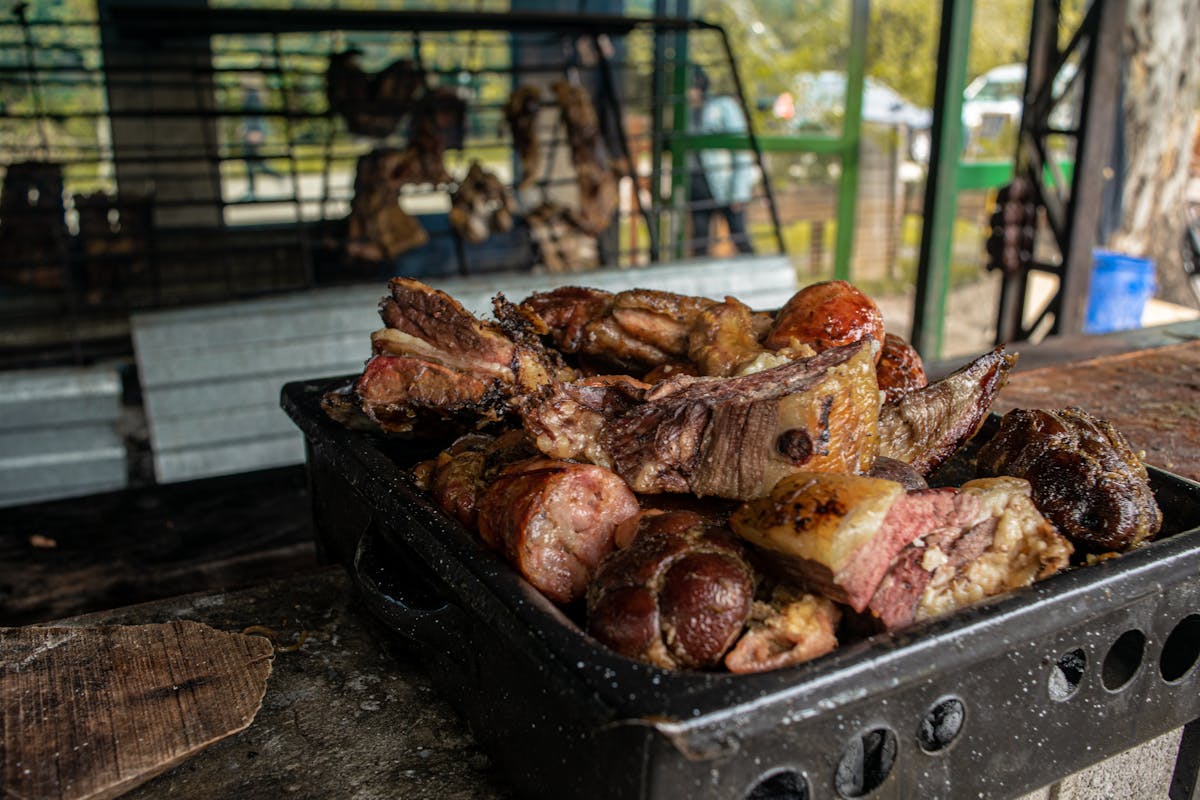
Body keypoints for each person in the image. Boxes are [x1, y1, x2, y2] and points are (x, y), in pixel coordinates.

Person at [687, 67, 756, 257]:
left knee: (739, 235)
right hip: (697, 187)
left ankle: (754, 275)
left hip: (723, 184)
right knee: (699, 241)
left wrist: (739, 192)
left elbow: (740, 150)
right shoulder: (684, 113)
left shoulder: (722, 107)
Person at [239, 74, 280, 200]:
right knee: (253, 161)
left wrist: (254, 131)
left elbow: (255, 115)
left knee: (251, 161)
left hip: (253, 132)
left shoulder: (252, 94)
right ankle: (275, 177)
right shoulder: (251, 93)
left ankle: (253, 189)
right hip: (252, 131)